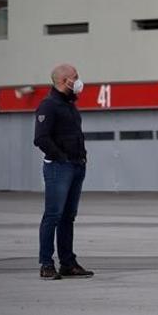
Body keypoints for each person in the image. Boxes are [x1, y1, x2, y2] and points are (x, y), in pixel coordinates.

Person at [34, 63, 93, 280]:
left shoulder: (69, 105)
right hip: (59, 168)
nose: (78, 80)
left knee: (68, 217)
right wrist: (61, 157)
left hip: (77, 166)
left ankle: (68, 263)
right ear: (63, 80)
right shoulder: (48, 105)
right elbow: (40, 138)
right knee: (53, 215)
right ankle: (46, 264)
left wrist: (81, 158)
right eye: (75, 76)